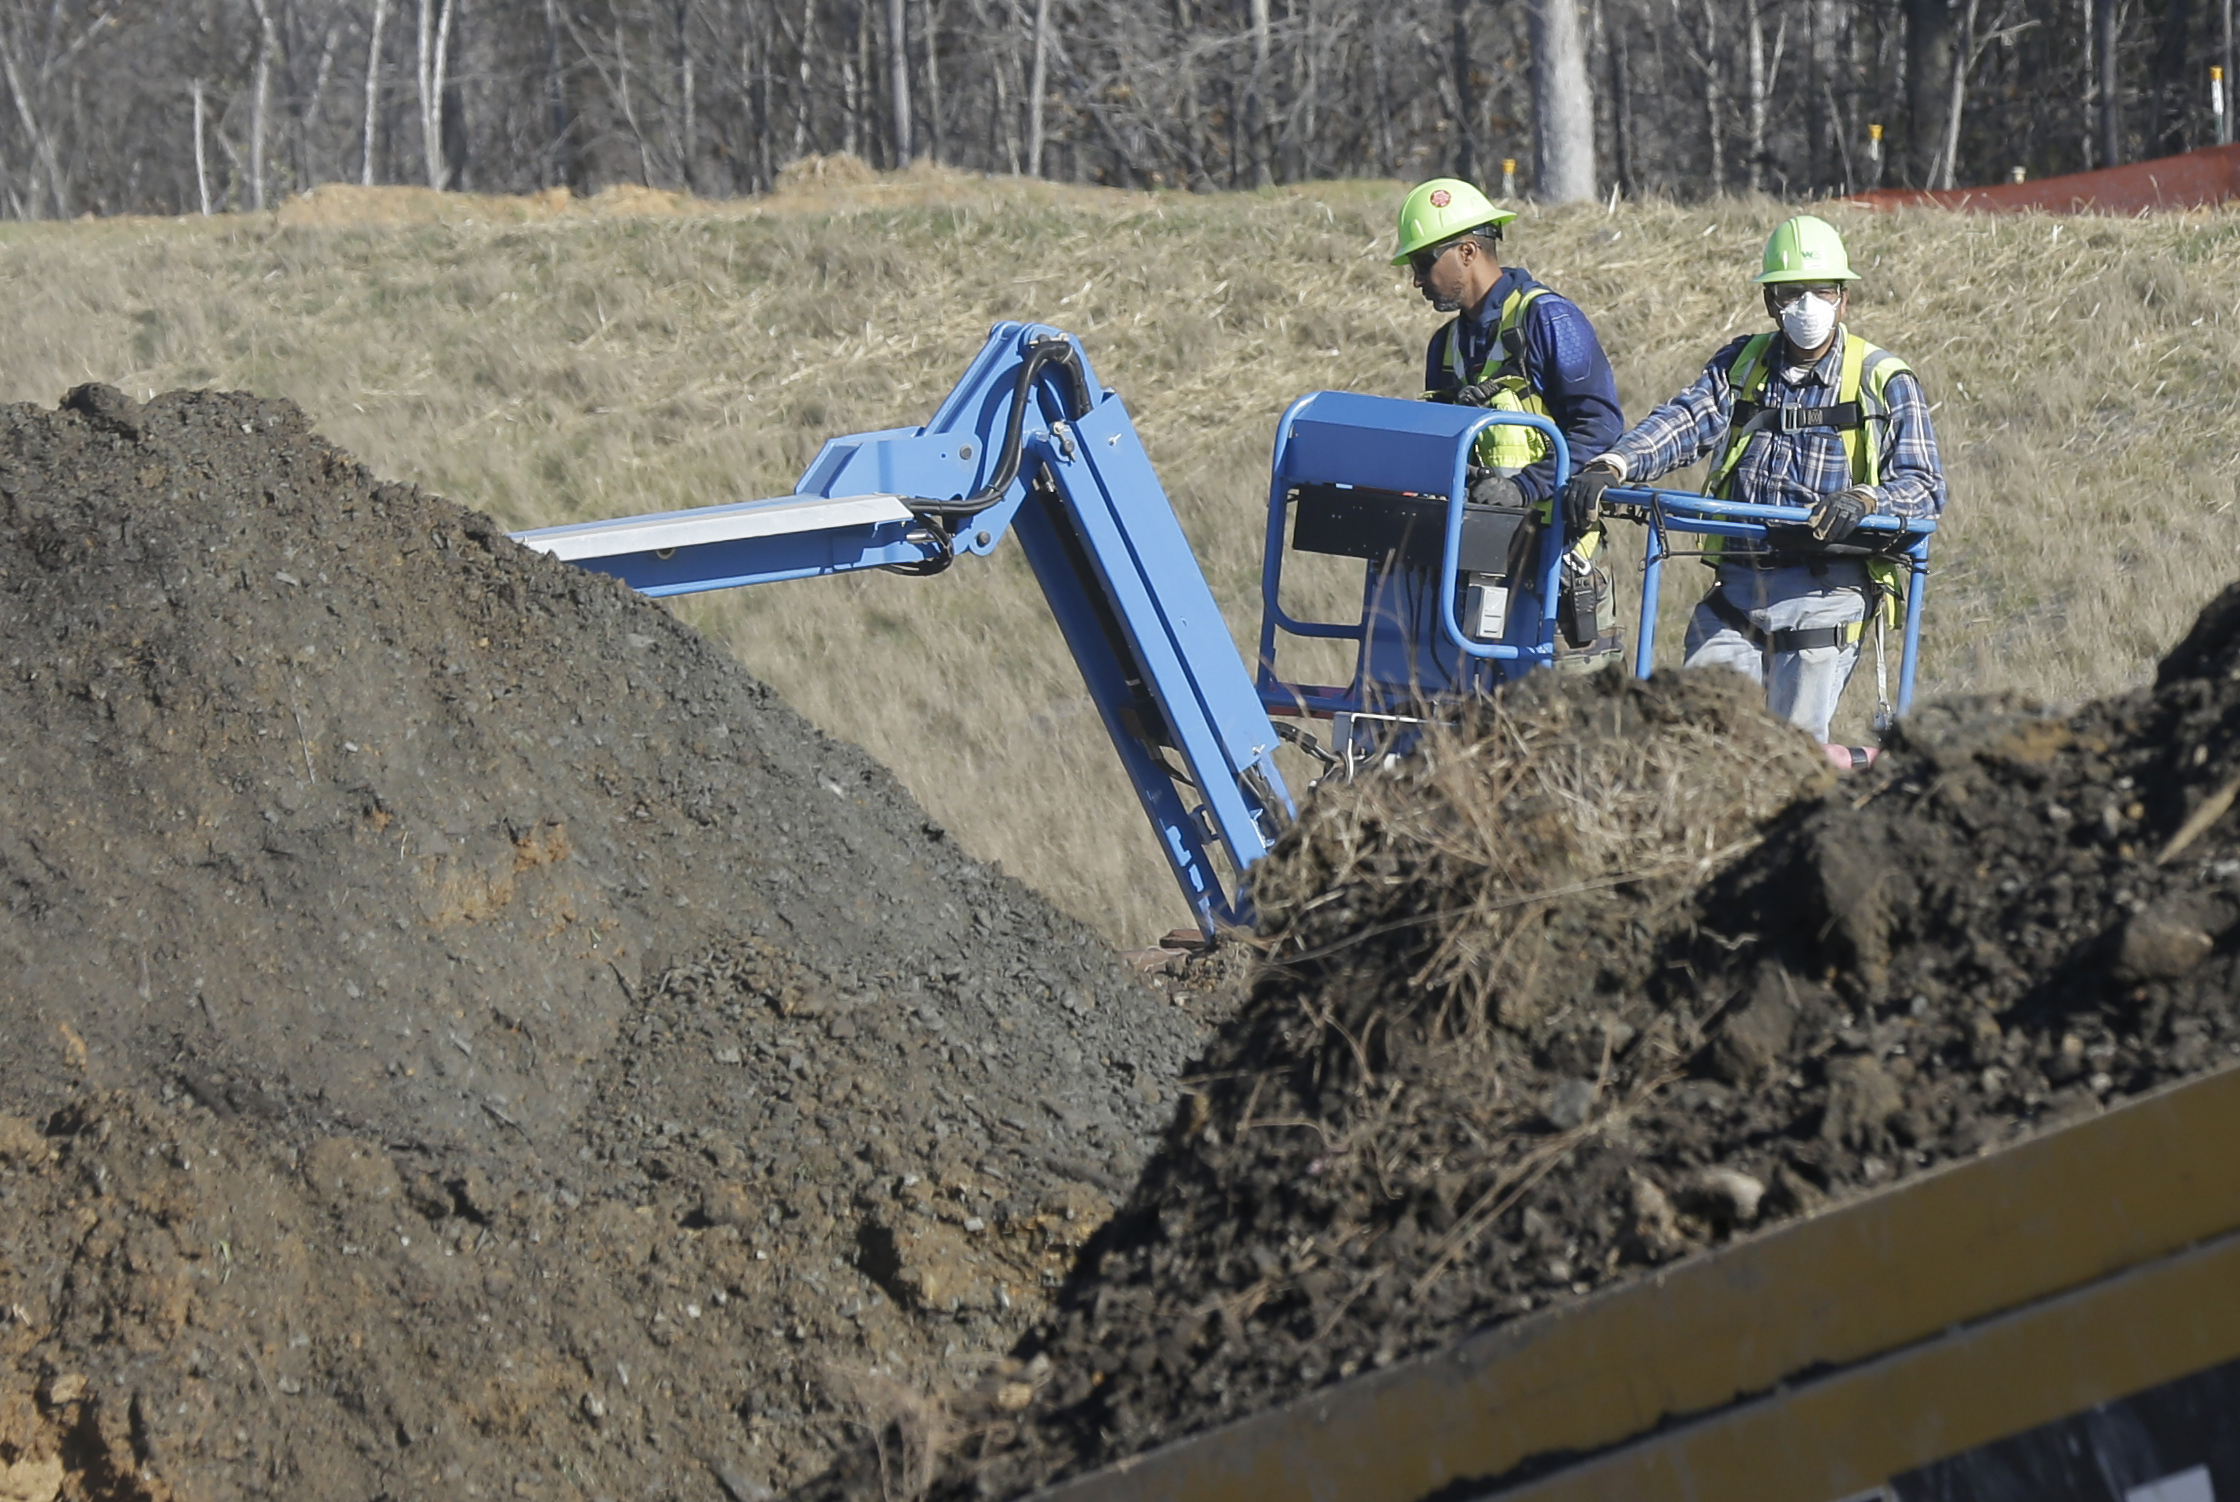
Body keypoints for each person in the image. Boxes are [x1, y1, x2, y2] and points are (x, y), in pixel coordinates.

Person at [1562, 214, 1946, 750]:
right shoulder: (1741, 366)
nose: (1808, 305)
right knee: (1692, 738)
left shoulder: (1882, 380)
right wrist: (1615, 465)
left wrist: (1865, 498)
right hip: (1738, 590)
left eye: (1822, 291)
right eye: (1793, 292)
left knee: (1788, 757)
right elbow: (1685, 420)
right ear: (1771, 301)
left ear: (1843, 299)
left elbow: (1925, 485)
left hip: (1826, 590)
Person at [1392, 178, 1626, 663]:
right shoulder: (1446, 345)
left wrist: (1525, 486)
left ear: (1468, 251)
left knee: (1572, 721)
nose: (1416, 280)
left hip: (1554, 559)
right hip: (1480, 557)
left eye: (1421, 263)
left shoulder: (1549, 320)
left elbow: (1600, 427)